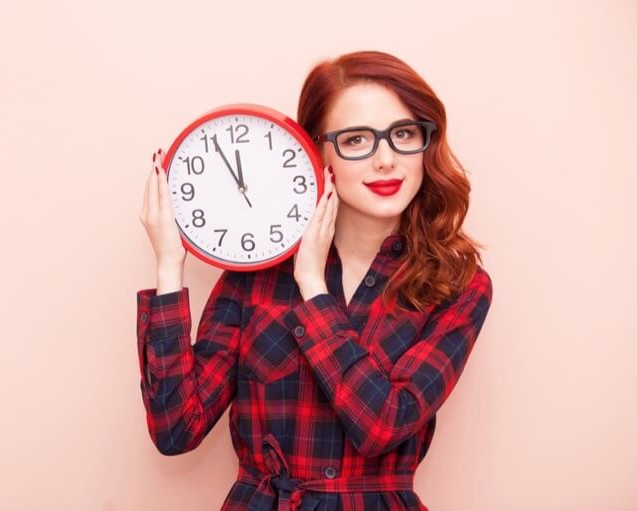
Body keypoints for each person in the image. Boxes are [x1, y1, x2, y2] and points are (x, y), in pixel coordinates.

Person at [137, 50, 493, 511]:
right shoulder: (255, 275)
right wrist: (169, 267)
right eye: (357, 140)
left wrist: (312, 285)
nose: (386, 161)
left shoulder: (457, 285)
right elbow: (176, 429)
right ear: (317, 152)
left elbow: (381, 425)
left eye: (403, 134)